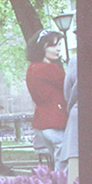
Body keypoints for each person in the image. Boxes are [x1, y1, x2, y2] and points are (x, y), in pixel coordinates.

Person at [26, 29, 69, 170]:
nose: (57, 49)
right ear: (42, 48)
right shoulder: (50, 69)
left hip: (43, 123)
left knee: (60, 161)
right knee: (65, 163)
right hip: (56, 121)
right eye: (52, 45)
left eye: (59, 45)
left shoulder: (32, 68)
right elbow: (72, 86)